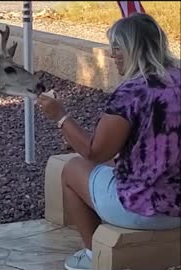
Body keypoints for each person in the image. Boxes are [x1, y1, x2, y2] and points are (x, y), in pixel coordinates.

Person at [37, 12, 181, 270]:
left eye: (117, 48)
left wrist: (60, 116)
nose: (113, 55)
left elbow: (95, 153)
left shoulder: (132, 92)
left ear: (133, 49)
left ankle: (93, 256)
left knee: (72, 169)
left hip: (143, 210)